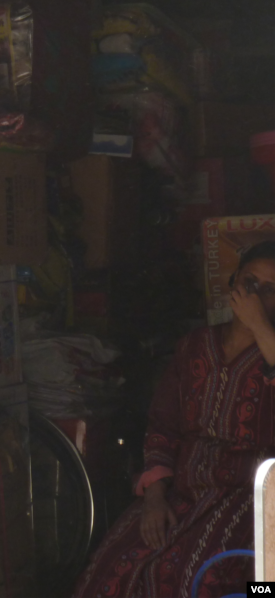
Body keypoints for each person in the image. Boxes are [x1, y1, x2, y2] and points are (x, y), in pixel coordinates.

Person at [71, 241, 275, 598]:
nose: (255, 295)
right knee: (115, 566)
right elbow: (163, 425)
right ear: (232, 284)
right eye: (249, 283)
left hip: (247, 499)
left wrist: (259, 325)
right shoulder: (194, 346)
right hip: (181, 491)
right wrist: (153, 498)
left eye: (270, 290)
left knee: (192, 575)